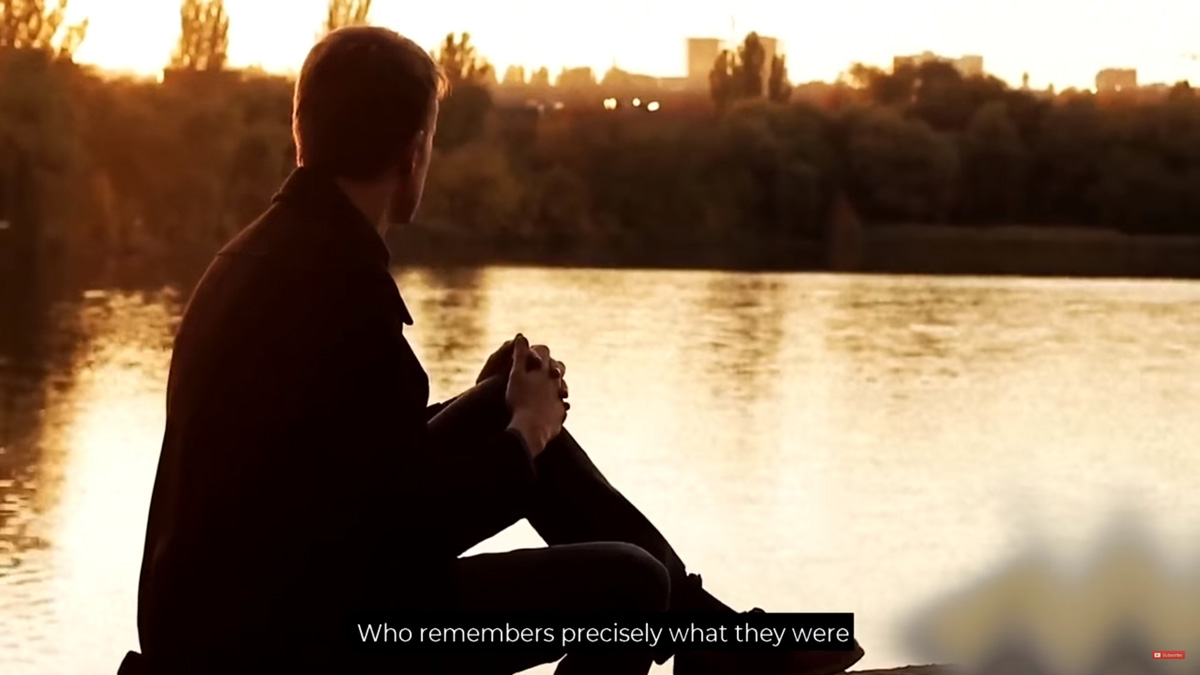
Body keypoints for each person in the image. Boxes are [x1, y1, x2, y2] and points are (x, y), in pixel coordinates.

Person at [119, 26, 866, 675]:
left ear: (301, 133)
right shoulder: (337, 287)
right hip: (301, 646)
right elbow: (399, 534)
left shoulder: (261, 255)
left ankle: (717, 637)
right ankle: (713, 637)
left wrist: (498, 412)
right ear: (414, 151)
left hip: (248, 617)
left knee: (506, 410)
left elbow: (349, 486)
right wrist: (525, 433)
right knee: (631, 587)